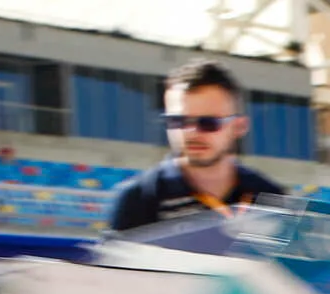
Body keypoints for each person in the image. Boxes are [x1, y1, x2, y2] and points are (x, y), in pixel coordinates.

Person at [108, 60, 284, 232]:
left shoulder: (269, 197)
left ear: (239, 127)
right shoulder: (139, 198)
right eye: (178, 121)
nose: (190, 132)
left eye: (208, 123)